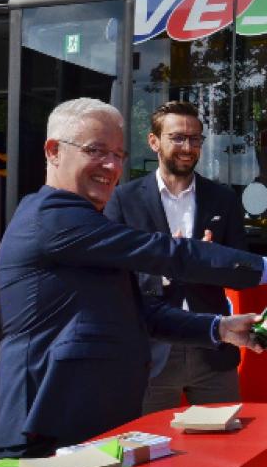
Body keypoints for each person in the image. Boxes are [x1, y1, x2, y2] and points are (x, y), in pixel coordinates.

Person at [0, 98, 267, 459]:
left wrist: (219, 328)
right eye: (96, 151)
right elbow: (169, 253)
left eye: (119, 155)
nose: (111, 166)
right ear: (54, 151)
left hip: (82, 430)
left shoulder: (85, 224)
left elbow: (139, 311)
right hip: (44, 432)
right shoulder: (53, 217)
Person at [103, 101, 247, 415]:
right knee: (147, 452)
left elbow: (242, 270)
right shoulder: (122, 200)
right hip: (149, 350)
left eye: (195, 139)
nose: (187, 147)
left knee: (223, 452)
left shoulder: (223, 199)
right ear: (154, 142)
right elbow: (112, 274)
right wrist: (165, 265)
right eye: (178, 138)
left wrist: (210, 260)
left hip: (213, 351)